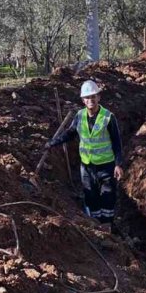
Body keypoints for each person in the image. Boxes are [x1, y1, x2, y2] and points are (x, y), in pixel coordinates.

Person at [46, 80, 124, 224]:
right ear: (83, 100)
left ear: (98, 97)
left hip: (106, 165)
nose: (91, 100)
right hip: (87, 166)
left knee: (108, 197)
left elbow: (117, 142)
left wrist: (118, 164)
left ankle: (107, 225)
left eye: (93, 96)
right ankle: (95, 223)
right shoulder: (80, 116)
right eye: (87, 97)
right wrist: (53, 142)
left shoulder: (108, 117)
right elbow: (70, 133)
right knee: (90, 196)